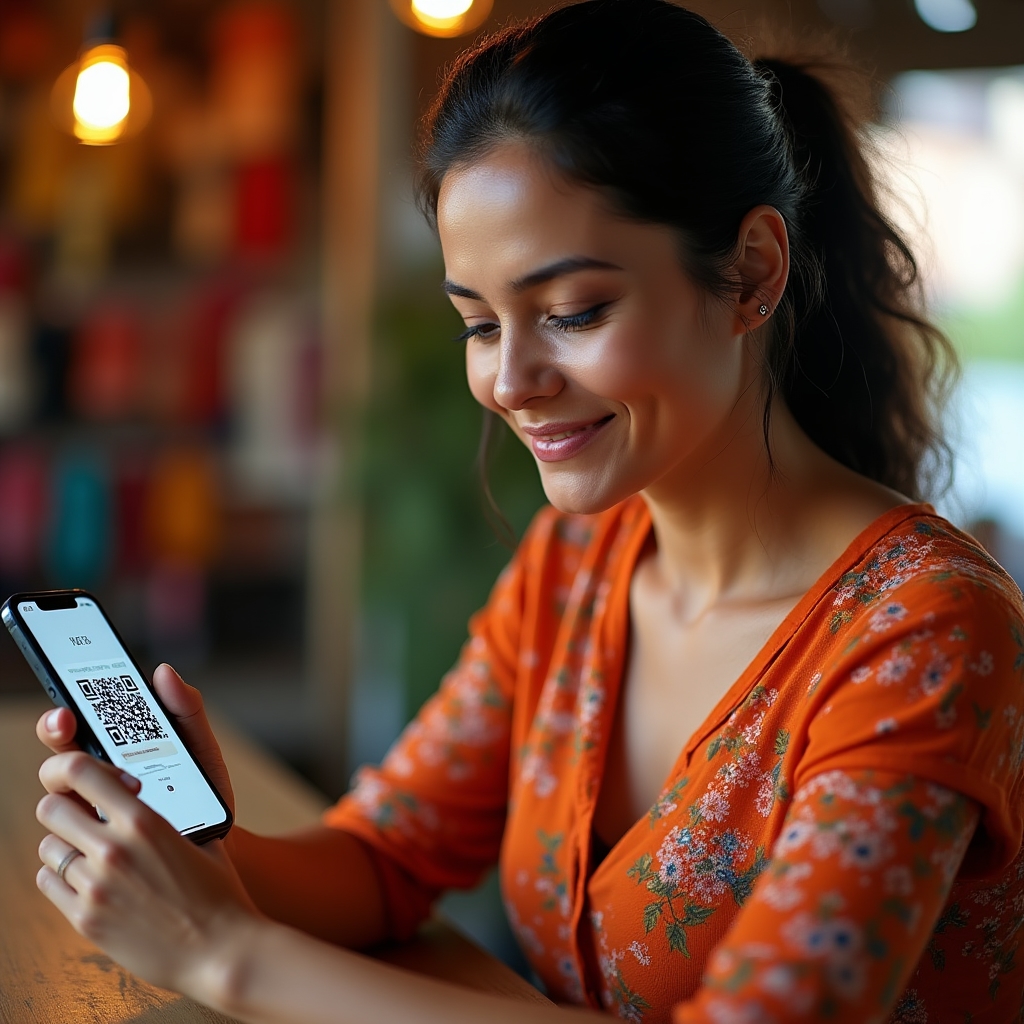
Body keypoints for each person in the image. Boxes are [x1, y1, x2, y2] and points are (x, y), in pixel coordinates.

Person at [32, 2, 1024, 1022]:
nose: (509, 380)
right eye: (476, 322)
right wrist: (195, 845)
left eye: (572, 313)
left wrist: (228, 956)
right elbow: (388, 857)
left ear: (751, 273)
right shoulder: (576, 564)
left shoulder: (923, 629)